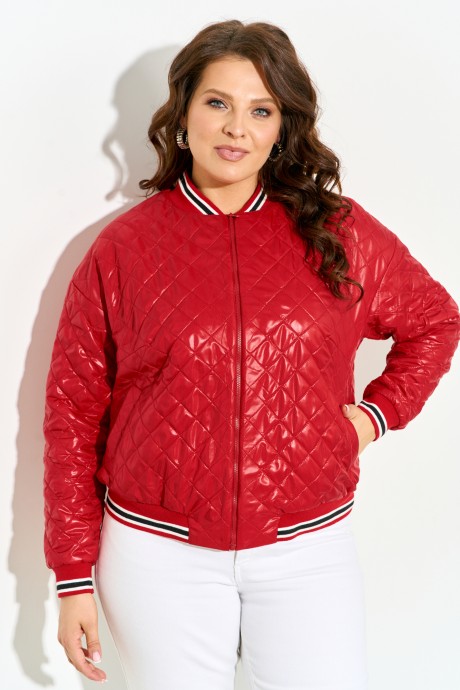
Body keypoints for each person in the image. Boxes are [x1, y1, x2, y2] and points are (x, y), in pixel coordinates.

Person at [43, 19, 460, 690]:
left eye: (261, 110)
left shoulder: (339, 232)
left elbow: (436, 322)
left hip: (308, 550)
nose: (237, 128)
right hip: (158, 557)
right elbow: (72, 411)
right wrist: (71, 577)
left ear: (282, 127)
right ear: (184, 115)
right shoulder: (124, 249)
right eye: (218, 103)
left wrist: (370, 419)